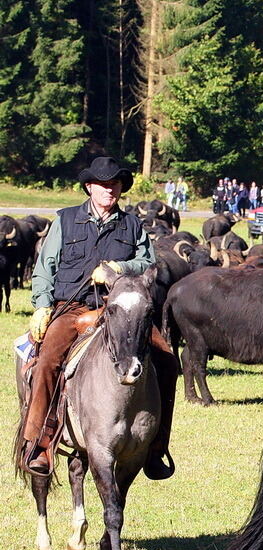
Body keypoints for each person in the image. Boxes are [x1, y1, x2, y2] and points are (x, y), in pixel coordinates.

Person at [19, 157, 177, 479]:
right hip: (72, 307)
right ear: (89, 187)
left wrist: (121, 268)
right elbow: (45, 267)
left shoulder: (132, 225)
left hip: (120, 306)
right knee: (48, 360)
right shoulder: (65, 221)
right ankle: (41, 443)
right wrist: (41, 305)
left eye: (115, 184)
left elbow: (148, 262)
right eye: (103, 184)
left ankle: (156, 447)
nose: (110, 190)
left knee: (167, 360)